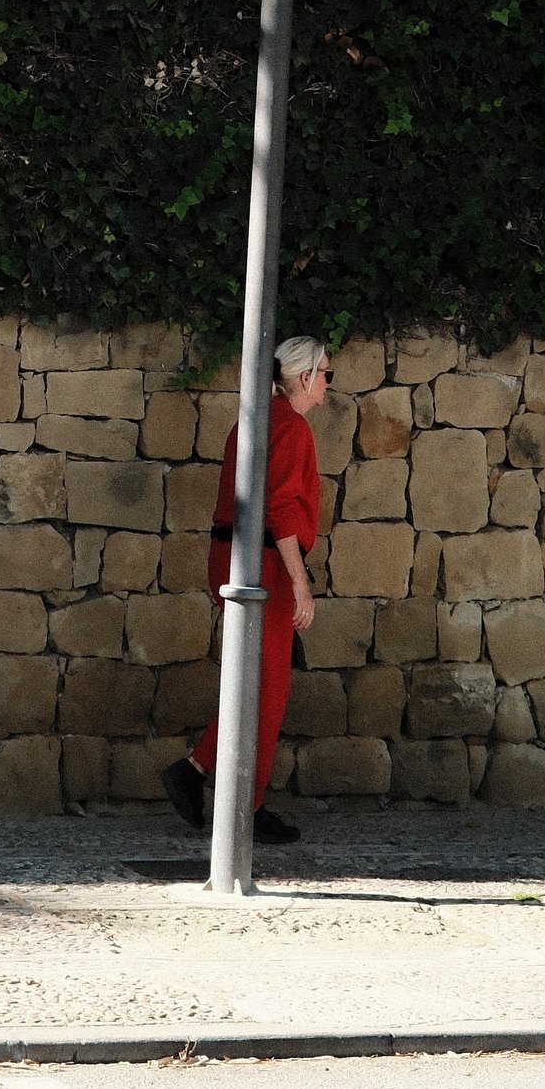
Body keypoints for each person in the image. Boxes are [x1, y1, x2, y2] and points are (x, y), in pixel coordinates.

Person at [165, 333, 330, 846]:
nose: (328, 385)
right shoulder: (292, 427)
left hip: (235, 558)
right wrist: (300, 584)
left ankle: (210, 779)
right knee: (267, 686)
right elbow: (281, 509)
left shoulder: (251, 422)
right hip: (263, 566)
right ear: (304, 378)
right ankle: (230, 794)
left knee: (254, 679)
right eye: (326, 375)